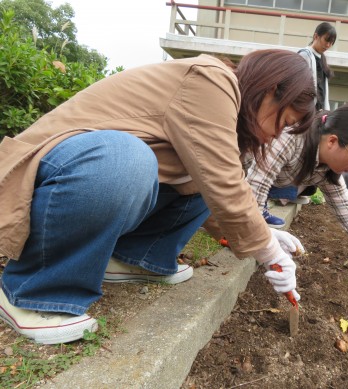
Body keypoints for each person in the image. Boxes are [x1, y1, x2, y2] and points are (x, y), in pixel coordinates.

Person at [0, 49, 317, 344]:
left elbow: (220, 193)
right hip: (46, 170)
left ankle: (133, 259)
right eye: (285, 122)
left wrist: (267, 234)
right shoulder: (211, 79)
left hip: (78, 175)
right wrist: (267, 249)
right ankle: (29, 291)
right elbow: (223, 182)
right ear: (270, 89)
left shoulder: (224, 122)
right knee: (128, 160)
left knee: (203, 177)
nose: (278, 135)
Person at [247, 103, 348, 294]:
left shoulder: (326, 168)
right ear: (332, 141)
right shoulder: (291, 138)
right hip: (226, 181)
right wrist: (269, 246)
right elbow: (253, 190)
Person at [262, 22, 337, 228]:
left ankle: (287, 194)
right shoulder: (304, 55)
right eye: (326, 40)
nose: (328, 45)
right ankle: (272, 199)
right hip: (305, 114)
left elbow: (324, 92)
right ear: (316, 36)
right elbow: (302, 87)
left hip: (316, 115)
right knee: (290, 155)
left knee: (307, 158)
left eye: (331, 42)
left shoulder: (321, 59)